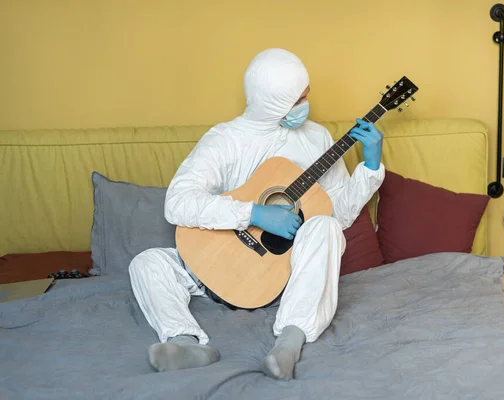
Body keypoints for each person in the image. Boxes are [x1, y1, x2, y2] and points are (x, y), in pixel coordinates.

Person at [128, 48, 385, 380]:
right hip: (216, 267)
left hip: (281, 273)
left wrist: (371, 165)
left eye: (306, 94)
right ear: (273, 102)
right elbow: (177, 202)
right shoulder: (226, 140)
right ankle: (185, 342)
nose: (306, 103)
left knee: (326, 227)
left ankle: (288, 344)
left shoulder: (318, 138)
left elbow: (339, 213)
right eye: (298, 98)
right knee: (147, 262)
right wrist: (255, 214)